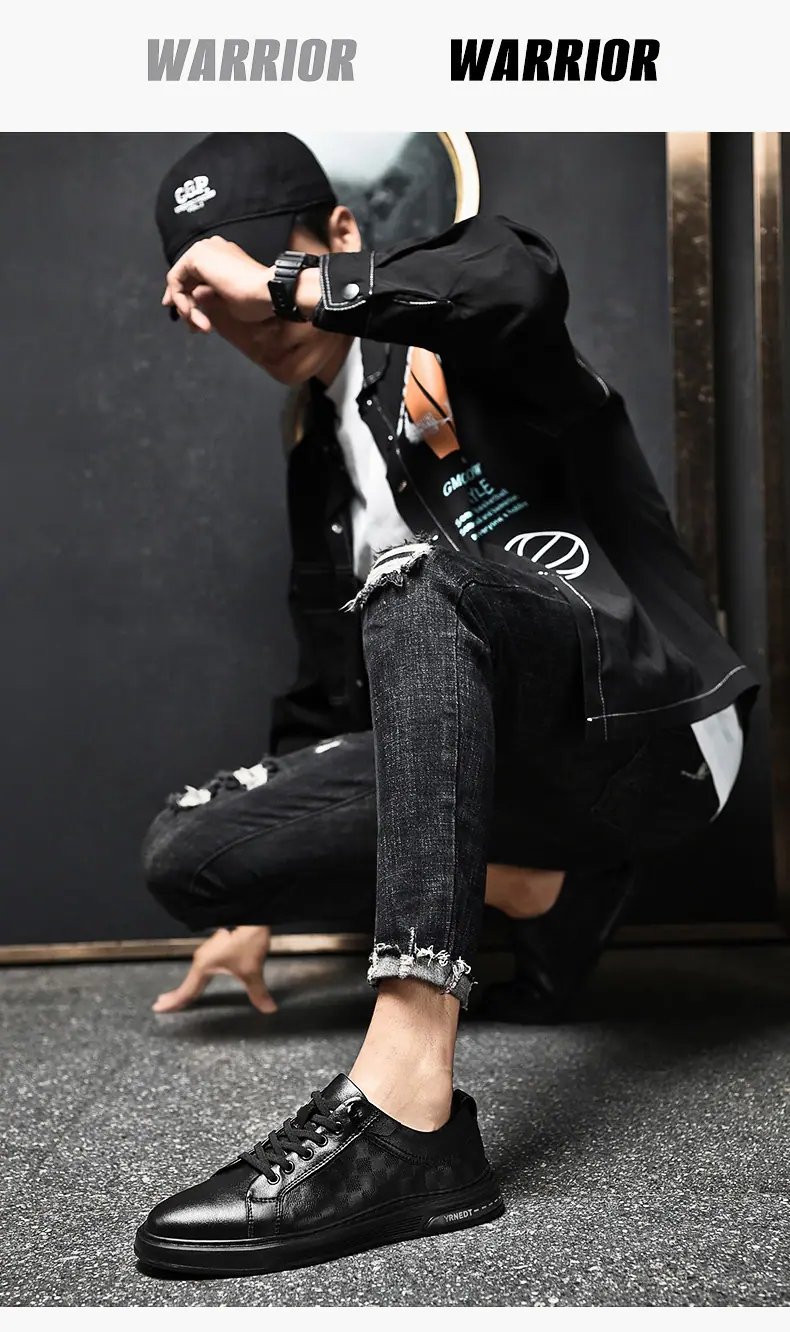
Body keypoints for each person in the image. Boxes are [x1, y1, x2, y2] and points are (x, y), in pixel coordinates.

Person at [134, 132, 757, 1276]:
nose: (245, 313)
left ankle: (407, 1109)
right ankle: (540, 889)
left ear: (340, 234)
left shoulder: (451, 324)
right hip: (505, 778)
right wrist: (262, 887)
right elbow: (327, 691)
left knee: (417, 579)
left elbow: (516, 273)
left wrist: (288, 283)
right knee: (187, 850)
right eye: (217, 296)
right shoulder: (315, 452)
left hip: (646, 736)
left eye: (257, 268)